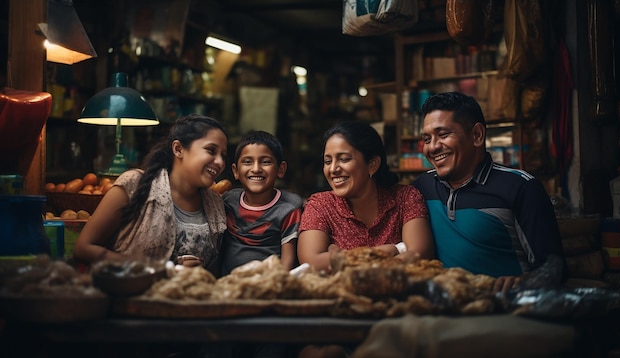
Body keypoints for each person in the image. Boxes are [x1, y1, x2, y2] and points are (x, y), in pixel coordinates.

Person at [412, 91, 565, 292]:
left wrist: (525, 282)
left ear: (477, 135)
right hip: (443, 308)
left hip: (504, 312)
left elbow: (554, 267)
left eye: (443, 135)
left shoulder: (520, 187)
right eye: (427, 138)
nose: (433, 147)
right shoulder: (421, 188)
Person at [73, 114, 228, 274]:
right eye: (211, 150)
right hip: (132, 296)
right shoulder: (134, 185)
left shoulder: (215, 205)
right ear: (178, 149)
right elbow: (83, 248)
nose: (220, 162)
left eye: (223, 155)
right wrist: (161, 271)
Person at [298, 120, 434, 271]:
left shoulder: (406, 197)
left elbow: (418, 254)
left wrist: (338, 257)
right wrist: (391, 251)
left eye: (344, 159)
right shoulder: (320, 205)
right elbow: (310, 262)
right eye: (328, 161)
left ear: (372, 164)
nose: (333, 169)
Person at [221, 130, 302, 275]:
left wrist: (272, 285)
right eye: (247, 162)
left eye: (265, 162)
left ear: (280, 169)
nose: (256, 169)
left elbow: (287, 261)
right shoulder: (228, 201)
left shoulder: (288, 208)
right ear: (235, 171)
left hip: (267, 284)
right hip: (227, 284)